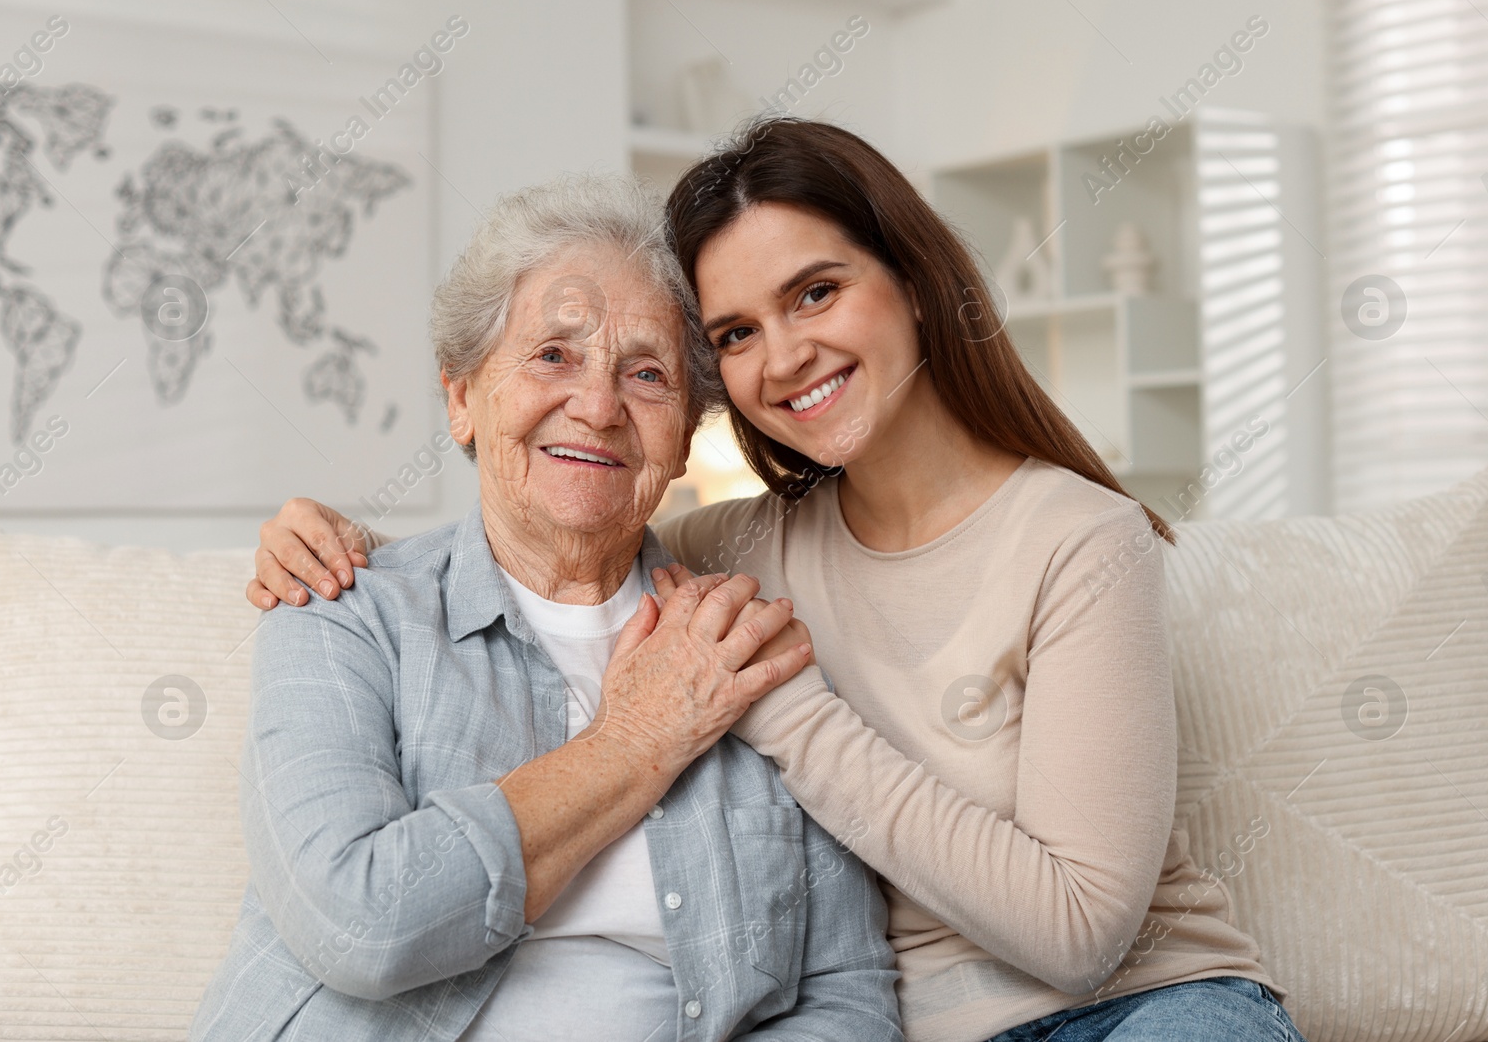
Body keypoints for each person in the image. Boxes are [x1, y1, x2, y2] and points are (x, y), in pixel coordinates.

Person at [246, 119, 1309, 1042]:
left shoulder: (1057, 542)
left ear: (917, 283)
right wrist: (343, 550)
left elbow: (1043, 940)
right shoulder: (722, 554)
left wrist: (779, 703)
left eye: (817, 291)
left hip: (1141, 1005)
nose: (787, 354)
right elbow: (555, 524)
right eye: (738, 333)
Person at [195, 172, 902, 1041]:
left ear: (684, 433)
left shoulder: (743, 643)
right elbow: (359, 924)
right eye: (554, 355)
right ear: (462, 398)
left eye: (646, 373)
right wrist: (639, 740)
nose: (599, 407)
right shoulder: (340, 610)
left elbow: (846, 991)